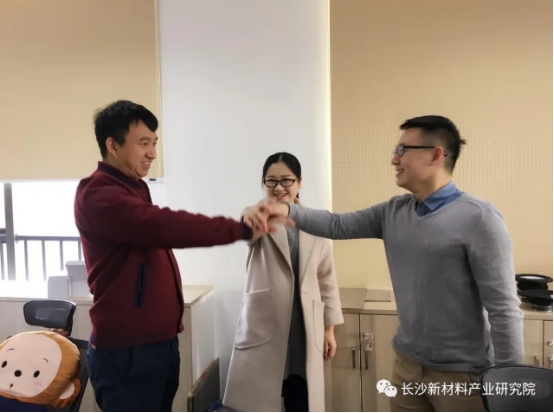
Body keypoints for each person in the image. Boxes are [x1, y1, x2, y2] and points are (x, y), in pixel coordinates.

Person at [248, 116, 524, 412]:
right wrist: (286, 208)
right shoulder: (393, 211)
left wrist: (508, 387)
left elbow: (503, 308)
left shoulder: (479, 219)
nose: (394, 159)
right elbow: (336, 224)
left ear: (435, 155)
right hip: (407, 366)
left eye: (403, 150)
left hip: (462, 376)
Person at [73, 100, 272, 412]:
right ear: (113, 145)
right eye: (143, 143)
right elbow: (165, 226)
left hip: (156, 345)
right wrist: (241, 229)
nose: (152, 153)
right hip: (128, 352)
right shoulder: (99, 194)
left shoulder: (133, 187)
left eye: (154, 143)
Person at [223, 152, 344, 412]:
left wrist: (329, 330)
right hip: (266, 321)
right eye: (271, 181)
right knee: (259, 399)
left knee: (299, 393)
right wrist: (257, 215)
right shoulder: (257, 216)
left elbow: (326, 277)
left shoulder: (315, 221)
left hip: (303, 323)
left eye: (286, 180)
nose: (279, 188)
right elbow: (247, 232)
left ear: (299, 182)